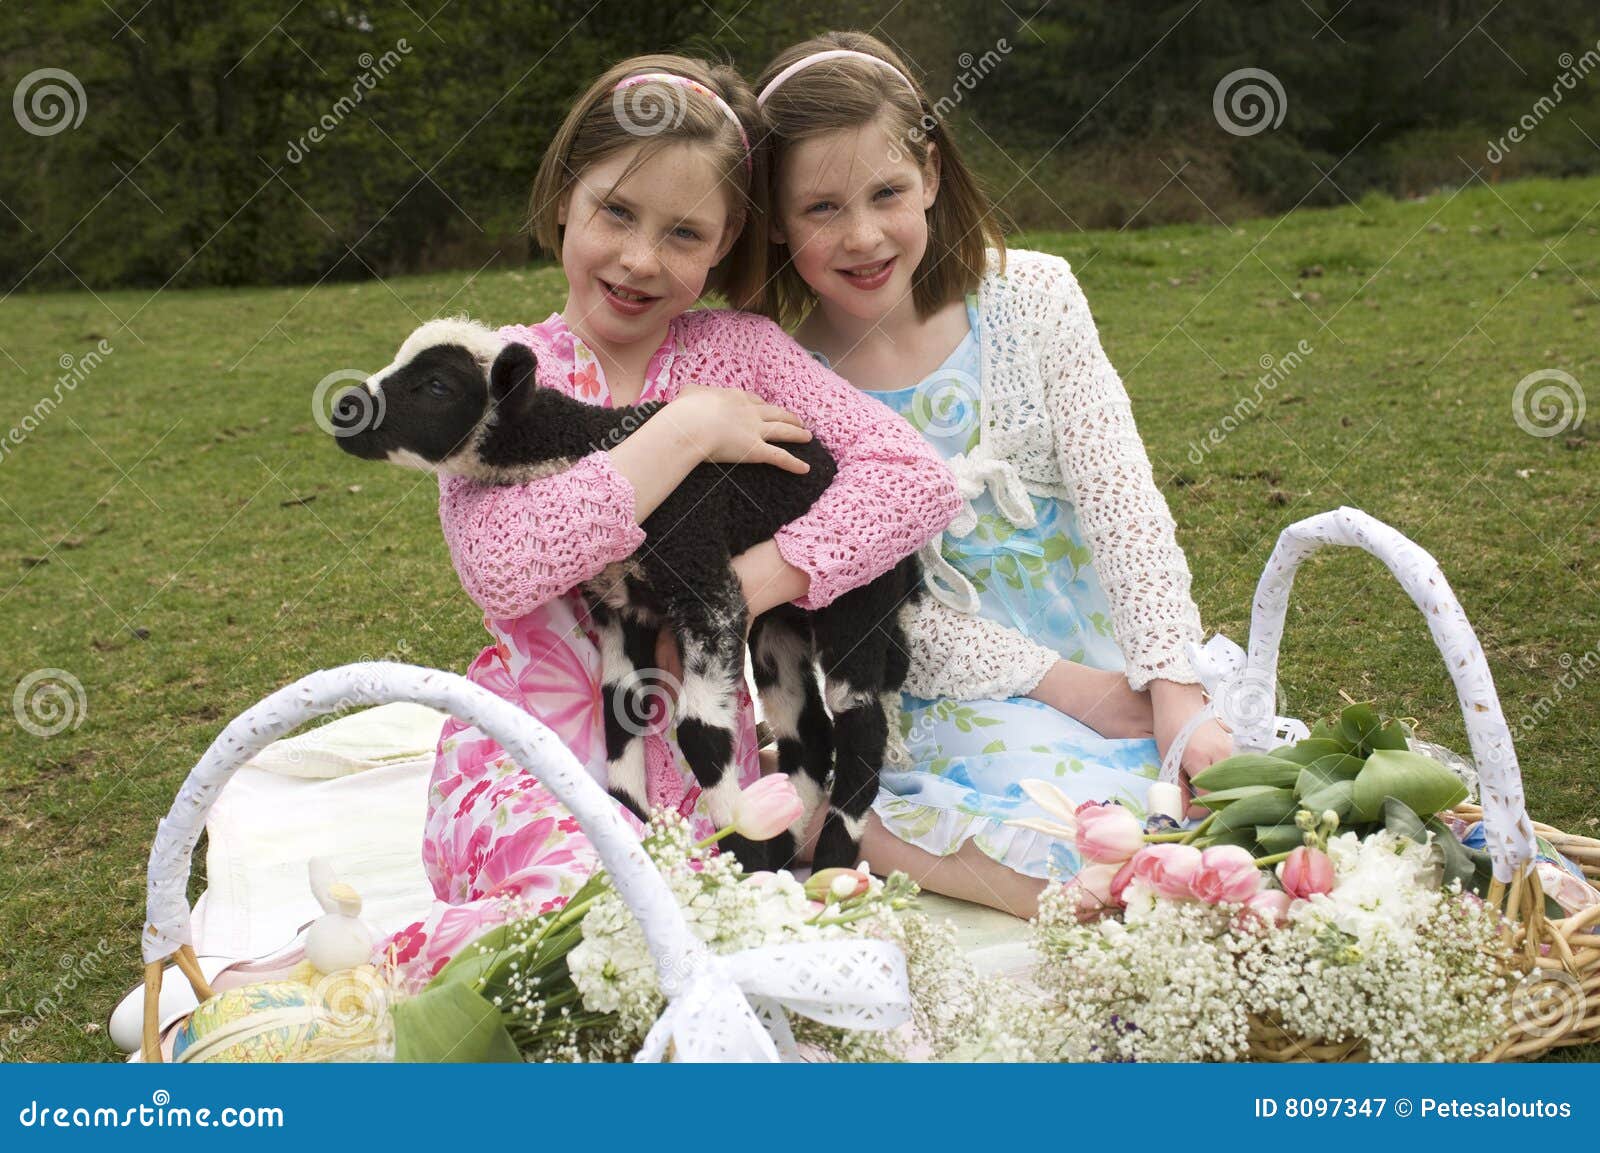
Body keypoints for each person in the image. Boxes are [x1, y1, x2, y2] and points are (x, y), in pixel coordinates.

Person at [376, 53, 961, 984]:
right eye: (616, 211)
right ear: (566, 199)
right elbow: (503, 565)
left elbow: (913, 478)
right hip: (538, 751)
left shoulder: (744, 351)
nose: (642, 259)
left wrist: (757, 580)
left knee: (735, 949)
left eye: (686, 233)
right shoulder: (505, 374)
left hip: (703, 765)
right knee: (591, 929)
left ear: (727, 242)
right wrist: (680, 433)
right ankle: (355, 971)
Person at [754, 32, 1232, 917]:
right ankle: (869, 827)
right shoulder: (785, 379)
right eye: (820, 209)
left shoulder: (1034, 297)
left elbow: (1124, 503)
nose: (863, 235)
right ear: (776, 220)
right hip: (939, 693)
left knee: (1230, 798)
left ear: (930, 175)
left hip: (1109, 658)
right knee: (1086, 847)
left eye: (887, 192)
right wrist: (1070, 692)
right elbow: (866, 607)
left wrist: (1172, 688)